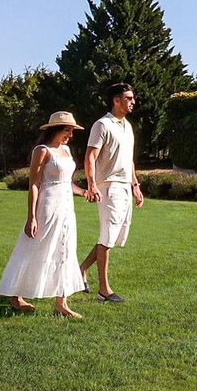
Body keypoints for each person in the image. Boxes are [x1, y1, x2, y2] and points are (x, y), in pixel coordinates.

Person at [0, 111, 97, 318]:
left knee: (65, 248)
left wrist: (84, 192)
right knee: (35, 246)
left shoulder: (67, 151)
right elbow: (34, 183)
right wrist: (31, 217)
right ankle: (16, 294)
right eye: (67, 130)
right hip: (47, 206)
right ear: (56, 129)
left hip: (66, 208)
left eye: (71, 130)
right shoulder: (42, 151)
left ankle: (62, 303)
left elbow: (66, 182)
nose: (70, 135)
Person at [79, 82, 143, 303]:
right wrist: (92, 184)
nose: (133, 102)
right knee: (107, 237)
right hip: (108, 187)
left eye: (133, 98)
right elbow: (90, 157)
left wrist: (135, 186)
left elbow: (129, 160)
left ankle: (81, 270)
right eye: (129, 98)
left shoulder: (128, 127)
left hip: (125, 186)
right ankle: (104, 290)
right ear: (117, 101)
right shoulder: (102, 125)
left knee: (111, 237)